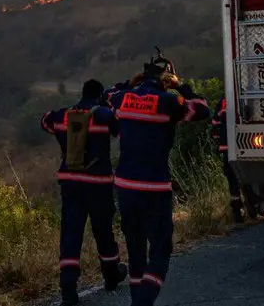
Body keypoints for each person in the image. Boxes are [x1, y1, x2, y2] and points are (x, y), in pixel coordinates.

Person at [108, 54, 211, 306]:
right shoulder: (169, 102)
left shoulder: (122, 99)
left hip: (125, 187)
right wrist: (180, 86)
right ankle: (142, 303)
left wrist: (132, 83)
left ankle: (137, 300)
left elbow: (108, 93)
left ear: (142, 77)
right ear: (166, 79)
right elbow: (202, 108)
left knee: (135, 253)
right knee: (161, 251)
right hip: (154, 187)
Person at [40, 79, 128, 304]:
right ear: (99, 95)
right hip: (98, 183)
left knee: (70, 235)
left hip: (70, 184)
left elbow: (45, 122)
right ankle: (111, 275)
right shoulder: (104, 115)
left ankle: (68, 289)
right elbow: (121, 130)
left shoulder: (62, 115)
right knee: (103, 231)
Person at [209, 97, 264, 222]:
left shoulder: (223, 101)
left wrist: (218, 141)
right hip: (248, 146)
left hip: (228, 149)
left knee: (233, 182)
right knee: (249, 176)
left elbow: (215, 126)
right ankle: (255, 203)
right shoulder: (249, 98)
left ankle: (237, 214)